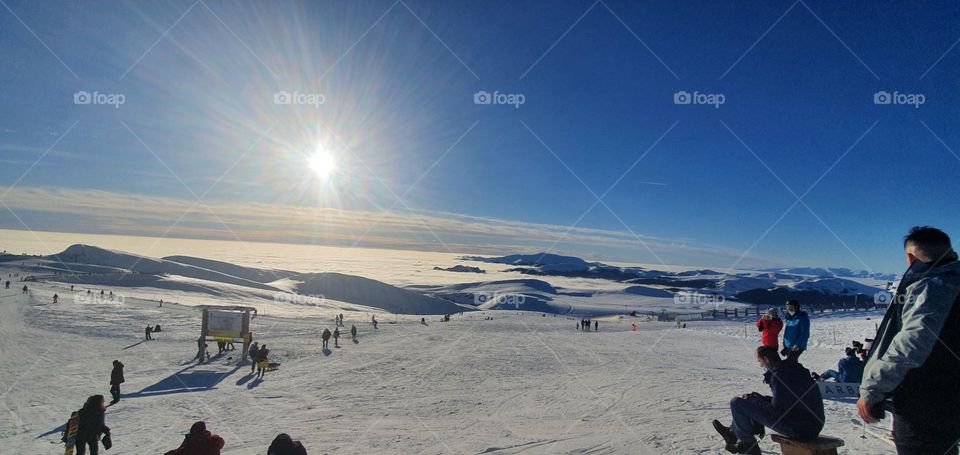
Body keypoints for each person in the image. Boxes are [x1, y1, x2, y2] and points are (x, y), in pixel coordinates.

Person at [858, 226, 960, 454]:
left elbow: (911, 344)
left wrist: (873, 387)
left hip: (923, 403)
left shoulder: (933, 287)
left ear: (910, 257)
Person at [712, 346, 824, 454]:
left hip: (800, 429)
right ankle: (733, 433)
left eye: (759, 361)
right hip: (813, 424)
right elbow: (789, 402)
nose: (760, 365)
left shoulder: (779, 376)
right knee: (749, 401)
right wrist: (759, 398)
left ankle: (748, 445)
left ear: (765, 359)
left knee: (736, 403)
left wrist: (755, 400)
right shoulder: (794, 371)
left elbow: (777, 411)